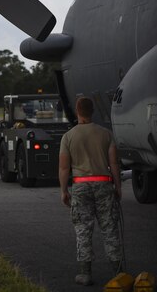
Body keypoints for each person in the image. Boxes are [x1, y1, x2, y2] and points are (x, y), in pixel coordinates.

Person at [59, 96, 122, 286]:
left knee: (83, 229)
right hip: (103, 184)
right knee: (110, 228)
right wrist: (117, 186)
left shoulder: (68, 136)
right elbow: (114, 164)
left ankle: (85, 274)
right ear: (92, 111)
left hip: (80, 186)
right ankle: (118, 272)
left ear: (77, 111)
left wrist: (64, 190)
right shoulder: (106, 134)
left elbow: (63, 168)